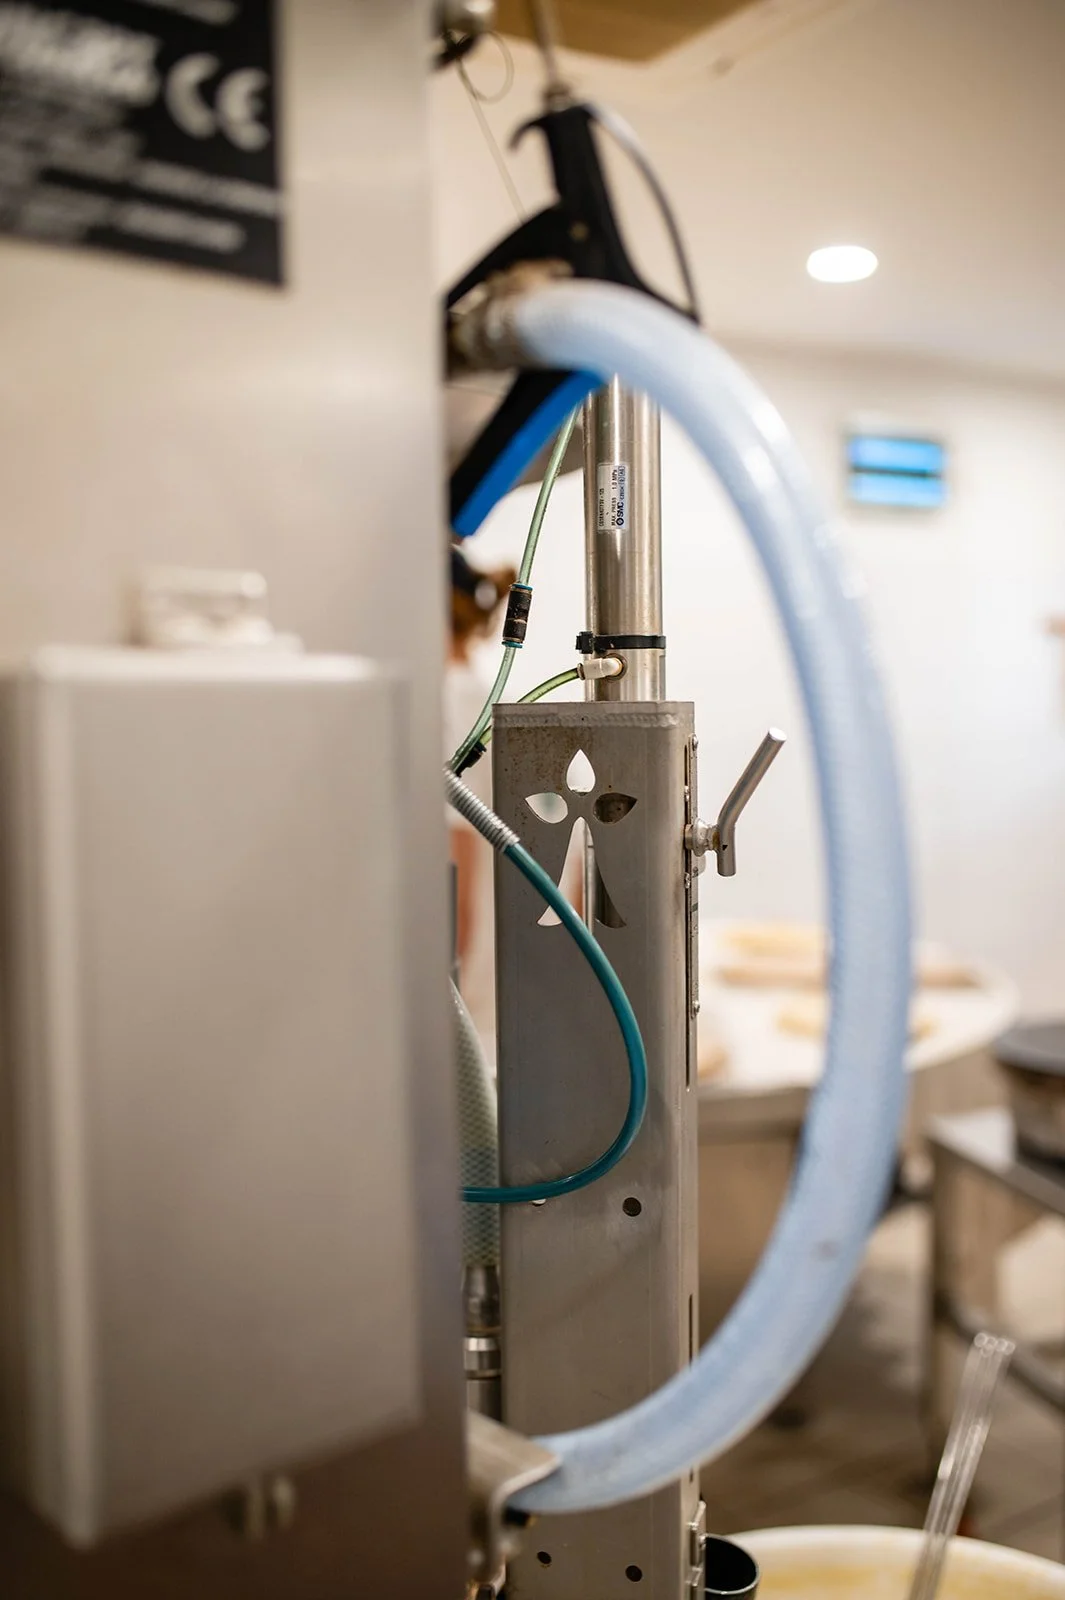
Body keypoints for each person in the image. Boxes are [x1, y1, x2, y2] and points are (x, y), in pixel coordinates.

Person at [446, 548, 516, 1045]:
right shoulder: (481, 691)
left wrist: (443, 998)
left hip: (465, 982)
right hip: (498, 975)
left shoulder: (445, 696)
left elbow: (455, 862)